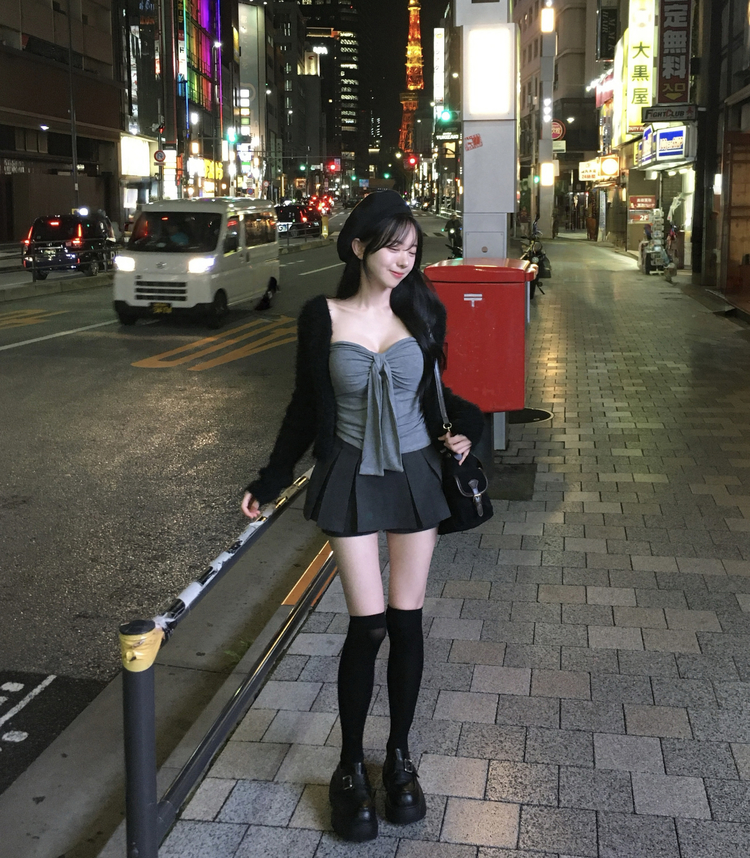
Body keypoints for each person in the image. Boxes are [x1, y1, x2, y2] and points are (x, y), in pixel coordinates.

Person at [241, 190, 483, 842]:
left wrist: (466, 432)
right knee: (367, 626)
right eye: (392, 247)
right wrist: (271, 478)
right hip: (349, 472)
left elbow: (440, 395)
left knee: (406, 622)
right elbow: (304, 404)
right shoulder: (322, 316)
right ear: (359, 247)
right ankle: (349, 766)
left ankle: (399, 757)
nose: (404, 259)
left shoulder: (422, 311)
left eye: (412, 249)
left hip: (415, 473)